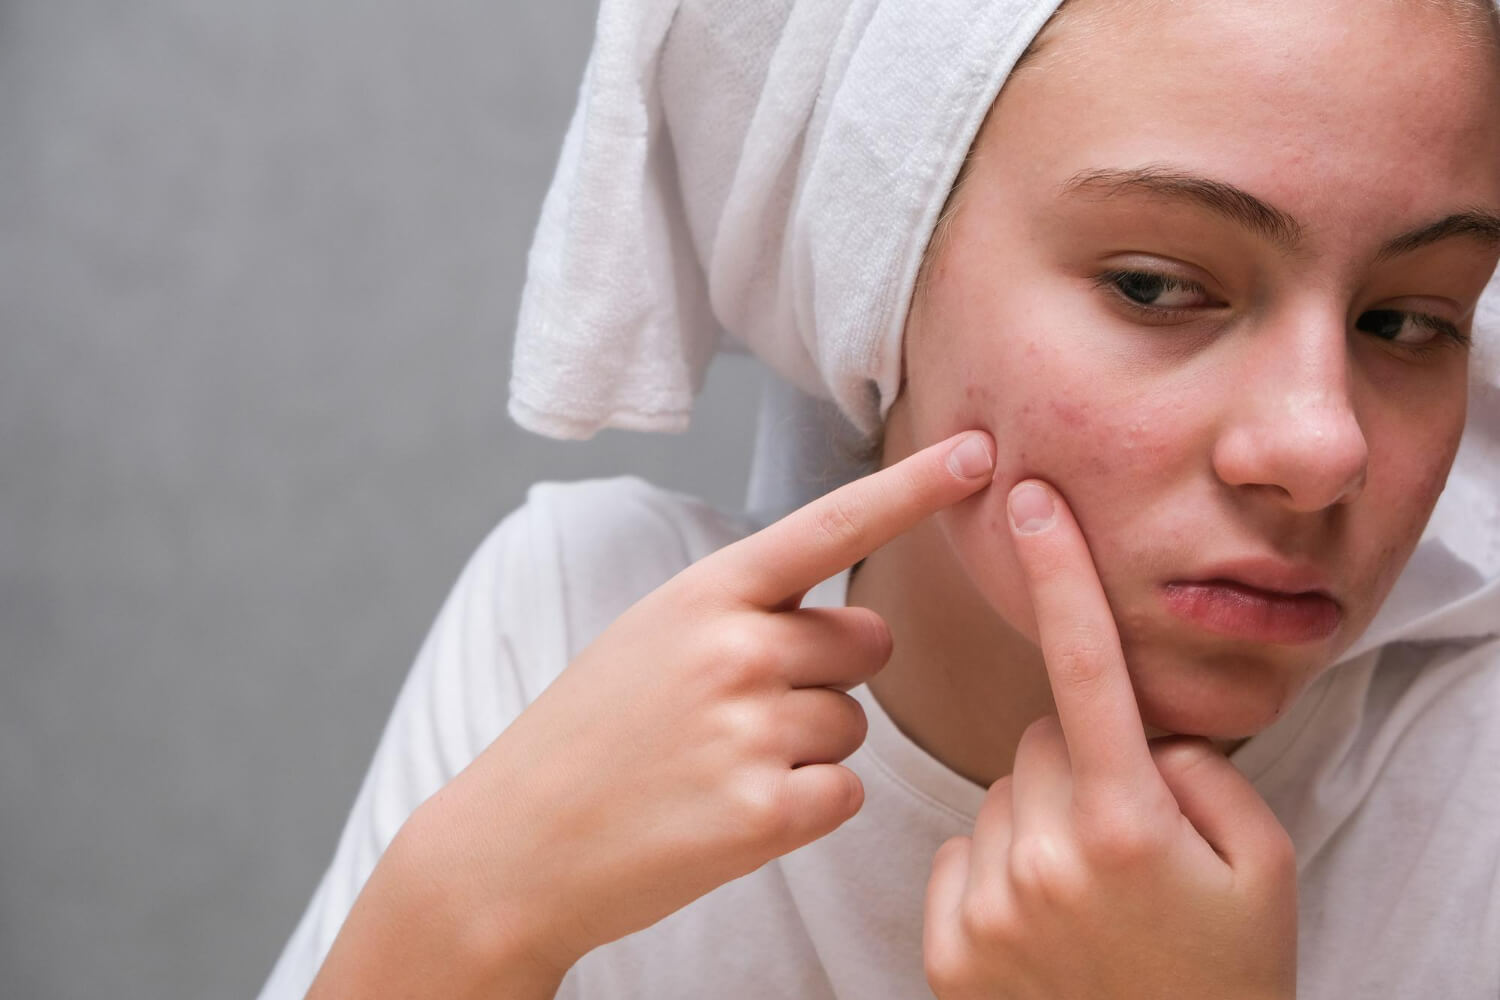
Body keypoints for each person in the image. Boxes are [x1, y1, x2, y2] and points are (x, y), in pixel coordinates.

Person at [259, 0, 1500, 996]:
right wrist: (463, 908)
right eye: (1156, 286)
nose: (1323, 445)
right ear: (882, 287)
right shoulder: (574, 628)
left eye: (1408, 320)